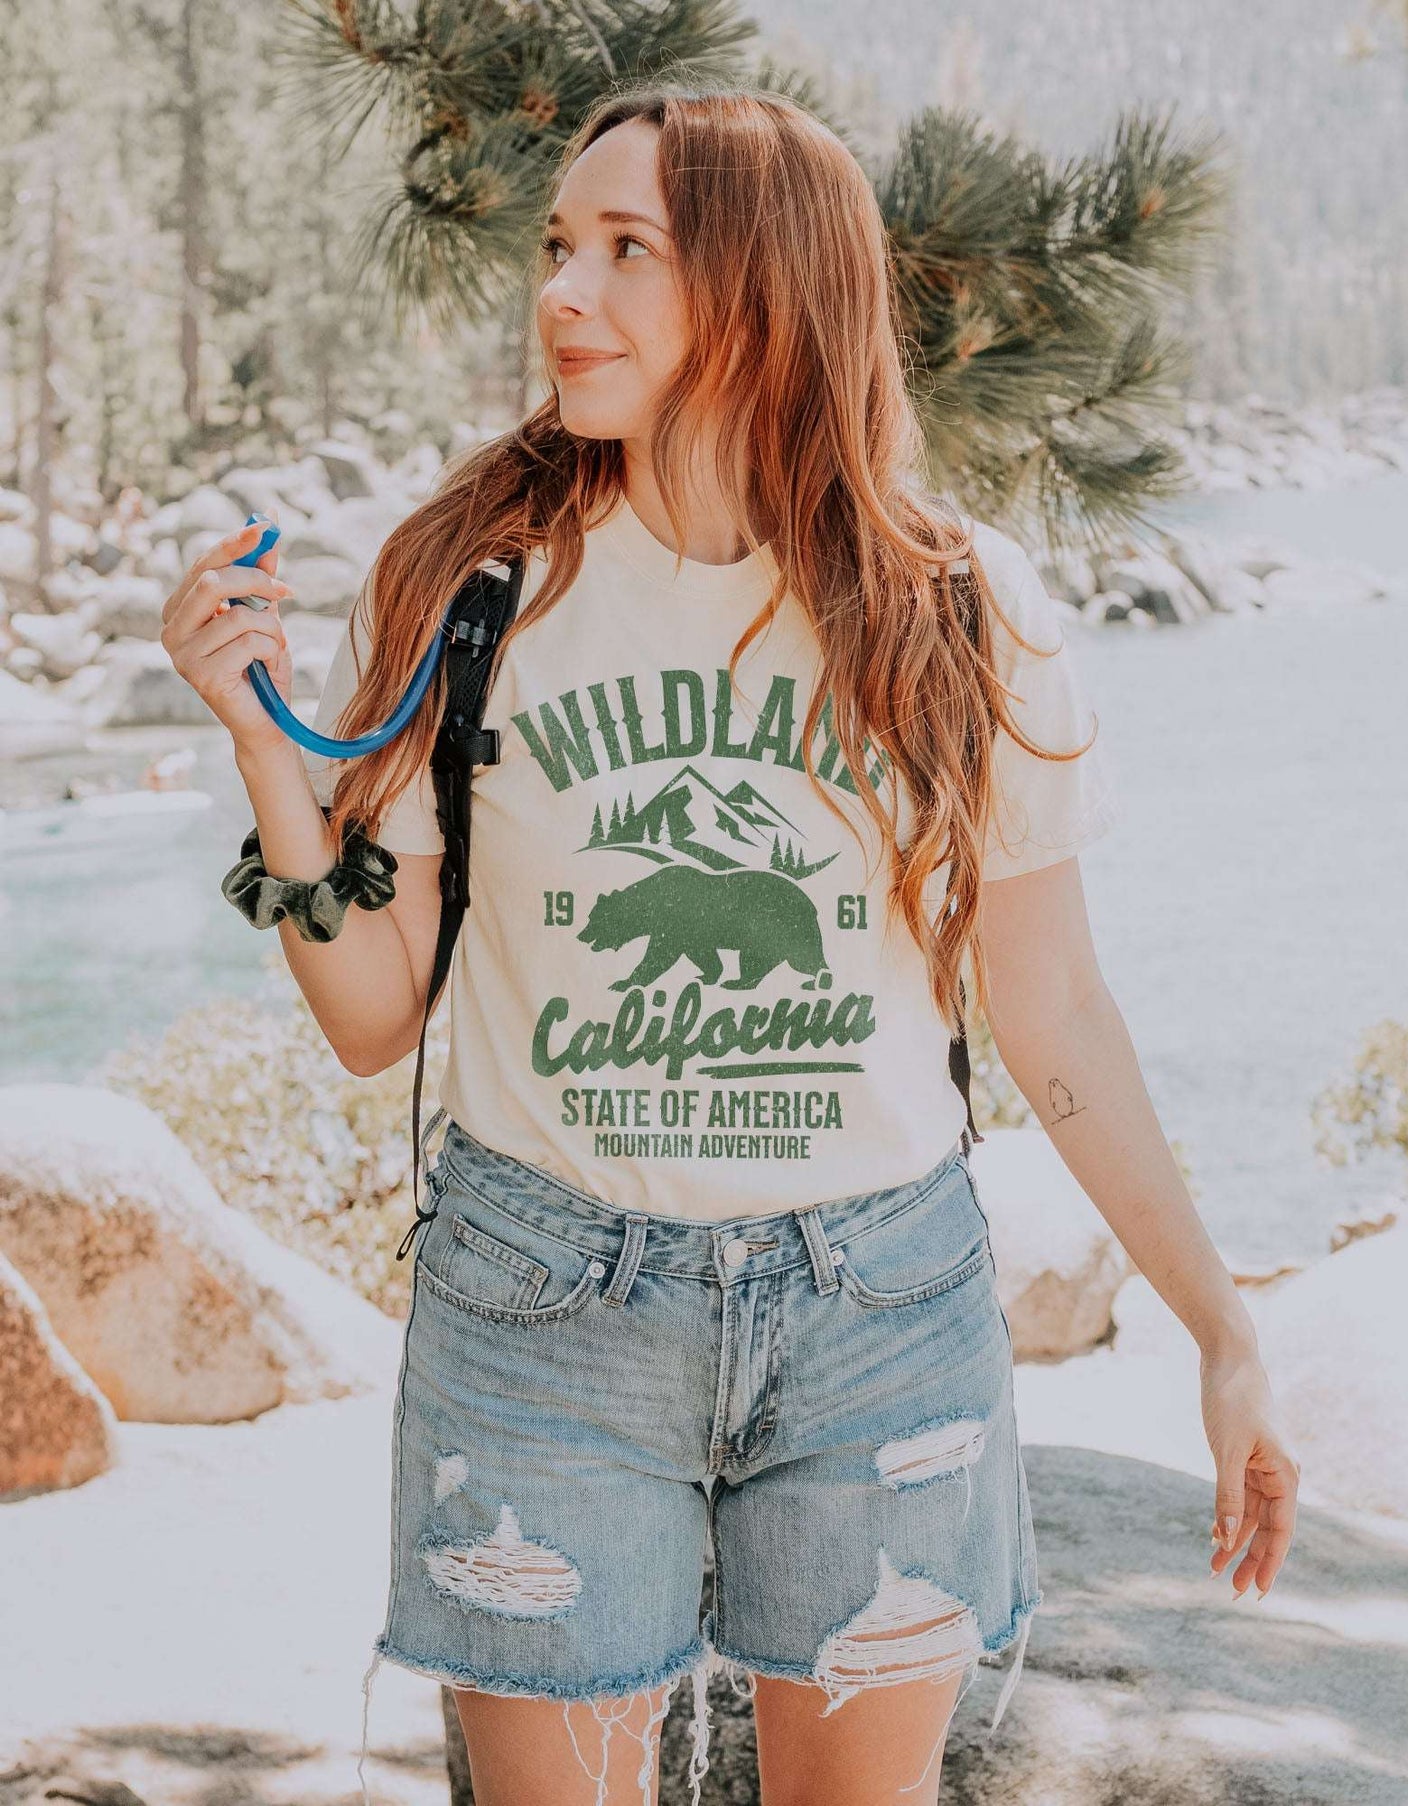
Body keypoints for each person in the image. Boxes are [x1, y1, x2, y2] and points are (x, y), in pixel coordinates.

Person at [164, 81, 1299, 1806]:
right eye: (560, 245)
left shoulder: (953, 607)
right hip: (544, 1309)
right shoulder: (466, 586)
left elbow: (1053, 1007)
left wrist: (1220, 1325)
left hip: (876, 1315)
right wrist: (267, 755)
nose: (563, 291)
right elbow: (375, 1014)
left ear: (768, 287)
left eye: (628, 249)